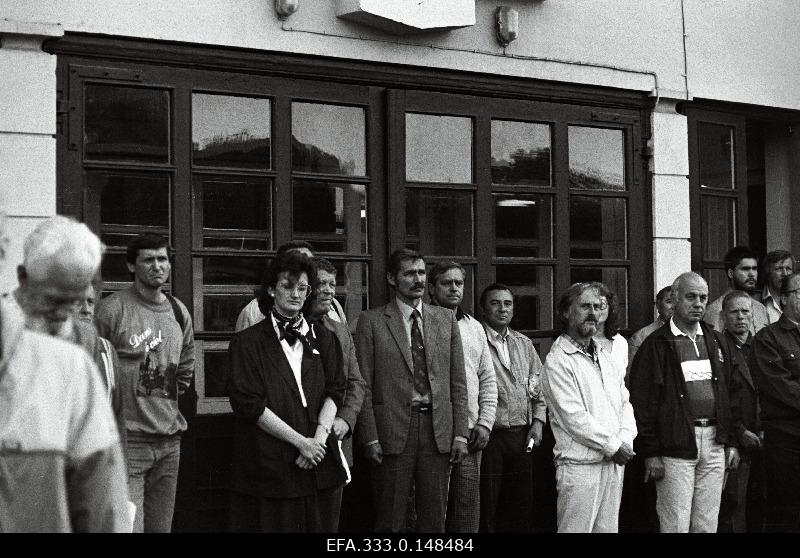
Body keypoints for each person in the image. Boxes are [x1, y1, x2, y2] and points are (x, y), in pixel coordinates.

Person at [0, 214, 129, 531]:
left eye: (77, 301)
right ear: (21, 277)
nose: (65, 316)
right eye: (54, 301)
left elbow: (101, 496)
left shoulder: (80, 349)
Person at [228, 252, 347, 532]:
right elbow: (249, 405)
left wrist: (317, 440)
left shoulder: (327, 338)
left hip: (319, 464)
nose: (296, 294)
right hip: (272, 467)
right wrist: (300, 443)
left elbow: (336, 390)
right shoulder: (247, 343)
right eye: (288, 286)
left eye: (303, 288)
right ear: (271, 289)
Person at [354, 248, 469, 533]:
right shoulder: (372, 321)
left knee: (434, 521)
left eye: (421, 272)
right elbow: (363, 384)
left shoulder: (445, 319)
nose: (417, 279)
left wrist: (460, 433)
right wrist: (369, 438)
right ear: (392, 279)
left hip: (437, 430)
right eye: (409, 273)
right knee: (390, 520)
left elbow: (458, 382)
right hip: (391, 430)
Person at [95, 233, 195, 533]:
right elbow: (96, 366)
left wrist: (160, 398)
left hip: (169, 441)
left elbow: (186, 367)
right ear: (131, 266)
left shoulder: (178, 311)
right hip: (129, 442)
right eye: (148, 259)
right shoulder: (113, 310)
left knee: (160, 528)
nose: (157, 266)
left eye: (162, 259)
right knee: (128, 528)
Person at [629, 271, 739, 532]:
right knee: (675, 523)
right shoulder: (655, 344)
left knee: (707, 524)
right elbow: (643, 403)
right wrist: (651, 452)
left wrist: (731, 440)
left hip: (714, 442)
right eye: (691, 297)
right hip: (675, 445)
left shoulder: (716, 339)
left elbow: (731, 393)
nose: (699, 304)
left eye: (703, 298)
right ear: (674, 299)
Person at [542, 282, 637, 532]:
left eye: (597, 306)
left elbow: (624, 402)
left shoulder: (605, 356)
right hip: (580, 468)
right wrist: (614, 446)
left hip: (613, 463)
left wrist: (626, 438)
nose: (593, 313)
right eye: (585, 306)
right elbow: (574, 418)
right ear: (566, 312)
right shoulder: (557, 361)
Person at [427, 261, 497, 533]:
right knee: (431, 509)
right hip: (433, 432)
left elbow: (488, 379)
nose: (455, 288)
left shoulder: (474, 327)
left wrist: (485, 423)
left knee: (466, 508)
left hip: (470, 432)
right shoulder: (422, 322)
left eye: (459, 283)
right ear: (431, 288)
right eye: (447, 283)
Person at [479, 283, 547, 533]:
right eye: (495, 303)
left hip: (521, 435)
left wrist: (538, 423)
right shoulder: (477, 340)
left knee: (520, 505)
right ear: (483, 309)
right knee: (488, 505)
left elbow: (539, 388)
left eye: (507, 304)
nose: (502, 309)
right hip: (490, 436)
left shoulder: (523, 343)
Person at [306, 256, 365, 530]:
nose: (329, 290)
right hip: (298, 441)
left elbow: (356, 382)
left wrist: (346, 419)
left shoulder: (339, 331)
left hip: (336, 442)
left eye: (333, 283)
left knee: (330, 524)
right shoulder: (289, 328)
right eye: (321, 284)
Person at [750, 272, 800, 532]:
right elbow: (778, 386)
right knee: (787, 511)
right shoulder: (767, 338)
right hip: (786, 439)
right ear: (784, 298)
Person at [716, 291, 764, 532]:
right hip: (734, 441)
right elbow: (720, 398)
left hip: (766, 438)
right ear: (724, 316)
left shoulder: (763, 345)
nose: (741, 317)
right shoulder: (716, 347)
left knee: (762, 506)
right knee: (732, 506)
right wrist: (740, 431)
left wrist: (765, 428)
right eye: (734, 312)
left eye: (745, 311)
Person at [235, 240, 347, 331]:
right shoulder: (253, 311)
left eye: (310, 262)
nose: (303, 267)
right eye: (295, 261)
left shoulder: (333, 305)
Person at [704, 246, 768, 334]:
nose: (751, 274)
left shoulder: (761, 309)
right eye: (745, 269)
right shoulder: (716, 309)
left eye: (754, 269)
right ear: (731, 273)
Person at [628, 285, 674, 376]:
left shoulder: (693, 335)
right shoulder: (641, 337)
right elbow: (633, 376)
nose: (674, 307)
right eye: (669, 302)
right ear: (658, 305)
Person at [591, 282, 628, 374]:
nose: (597, 310)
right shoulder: (579, 341)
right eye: (592, 305)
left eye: (602, 305)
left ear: (610, 308)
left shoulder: (620, 342)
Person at [757, 249, 794, 324]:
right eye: (779, 269)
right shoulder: (756, 299)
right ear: (768, 272)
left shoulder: (797, 298)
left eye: (788, 269)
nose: (785, 274)